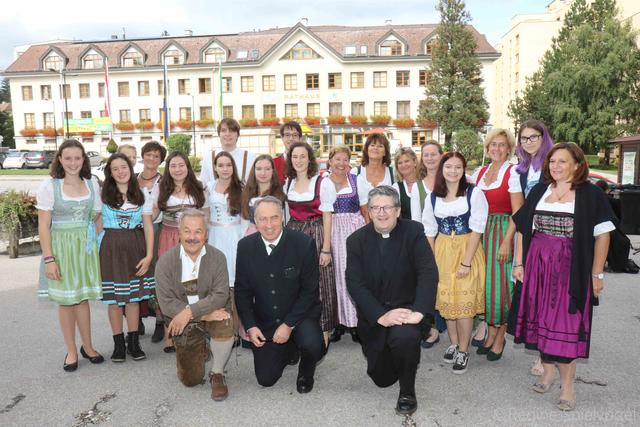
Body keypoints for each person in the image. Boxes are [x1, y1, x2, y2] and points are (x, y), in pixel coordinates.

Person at [512, 143, 614, 412]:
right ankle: (547, 372)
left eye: (563, 162)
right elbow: (523, 229)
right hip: (538, 265)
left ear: (578, 165)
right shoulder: (539, 190)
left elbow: (603, 235)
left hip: (571, 268)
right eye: (552, 161)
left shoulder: (590, 194)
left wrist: (597, 273)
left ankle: (567, 385)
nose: (556, 166)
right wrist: (519, 263)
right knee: (540, 319)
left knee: (566, 326)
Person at [346, 185, 437, 415]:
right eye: (375, 208)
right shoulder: (356, 241)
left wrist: (419, 311)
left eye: (387, 207)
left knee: (405, 338)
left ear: (398, 211)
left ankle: (407, 391)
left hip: (407, 310)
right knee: (382, 378)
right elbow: (355, 284)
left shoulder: (414, 232)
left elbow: (428, 272)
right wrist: (380, 315)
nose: (381, 213)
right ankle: (393, 358)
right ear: (369, 212)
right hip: (374, 316)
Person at [235, 196, 324, 393]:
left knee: (313, 344)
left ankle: (306, 370)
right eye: (263, 219)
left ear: (283, 217)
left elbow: (310, 291)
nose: (269, 225)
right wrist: (250, 325)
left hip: (300, 316)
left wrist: (288, 325)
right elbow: (242, 291)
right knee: (266, 379)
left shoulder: (303, 244)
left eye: (274, 218)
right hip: (266, 318)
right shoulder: (245, 247)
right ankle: (289, 350)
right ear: (255, 221)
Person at [36, 139, 104, 371]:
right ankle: (72, 351)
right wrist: (49, 259)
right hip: (61, 250)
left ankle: (88, 346)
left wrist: (93, 242)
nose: (73, 163)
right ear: (60, 160)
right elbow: (44, 225)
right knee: (66, 302)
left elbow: (97, 217)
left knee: (82, 299)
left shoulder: (92, 183)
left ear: (83, 160)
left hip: (84, 249)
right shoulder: (50, 186)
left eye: (77, 158)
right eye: (68, 158)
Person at [155, 209, 235, 401]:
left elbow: (220, 294)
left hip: (211, 312)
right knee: (190, 380)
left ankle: (217, 373)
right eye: (187, 231)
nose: (192, 237)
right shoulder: (166, 261)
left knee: (224, 319)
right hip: (187, 318)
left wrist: (190, 311)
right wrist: (201, 315)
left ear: (206, 235)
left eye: (198, 231)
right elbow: (166, 304)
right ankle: (200, 348)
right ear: (179, 233)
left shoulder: (218, 257)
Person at [421, 152, 488, 374]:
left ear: (463, 169)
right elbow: (429, 231)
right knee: (448, 303)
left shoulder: (473, 193)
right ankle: (454, 341)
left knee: (464, 306)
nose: (453, 171)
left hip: (466, 249)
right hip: (442, 252)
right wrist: (432, 262)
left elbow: (477, 229)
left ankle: (463, 349)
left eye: (457, 167)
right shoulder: (433, 197)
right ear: (442, 170)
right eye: (448, 167)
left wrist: (466, 262)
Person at [507, 119, 554, 376]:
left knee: (552, 296)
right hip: (529, 237)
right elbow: (520, 213)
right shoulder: (520, 171)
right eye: (524, 138)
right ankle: (540, 351)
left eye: (533, 137)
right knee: (532, 296)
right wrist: (518, 257)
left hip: (555, 236)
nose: (529, 142)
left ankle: (551, 350)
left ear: (543, 137)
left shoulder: (555, 163)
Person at [472, 128, 524, 361]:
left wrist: (506, 241)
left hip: (503, 229)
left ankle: (499, 337)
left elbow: (518, 211)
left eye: (502, 145)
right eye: (494, 144)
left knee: (501, 287)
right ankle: (491, 334)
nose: (497, 149)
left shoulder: (512, 173)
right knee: (486, 284)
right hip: (482, 231)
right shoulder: (480, 172)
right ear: (488, 147)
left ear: (509, 149)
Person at [99, 153, 155, 362]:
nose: (120, 171)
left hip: (135, 246)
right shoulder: (102, 195)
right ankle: (118, 343)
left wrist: (149, 255)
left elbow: (148, 226)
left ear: (130, 169)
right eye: (115, 169)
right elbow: (95, 223)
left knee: (132, 298)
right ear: (110, 173)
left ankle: (133, 342)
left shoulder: (141, 194)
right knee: (114, 300)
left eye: (124, 167)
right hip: (111, 247)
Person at [154, 151, 209, 352]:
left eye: (181, 165)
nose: (177, 169)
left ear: (187, 167)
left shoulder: (199, 188)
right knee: (171, 284)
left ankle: (196, 327)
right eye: (173, 165)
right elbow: (151, 214)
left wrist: (205, 238)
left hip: (195, 239)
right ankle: (171, 333)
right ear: (168, 169)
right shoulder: (161, 188)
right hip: (169, 238)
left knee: (194, 282)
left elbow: (206, 215)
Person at [285, 142, 338, 346]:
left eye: (302, 156)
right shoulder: (287, 183)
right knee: (296, 284)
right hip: (293, 235)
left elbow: (327, 216)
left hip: (315, 233)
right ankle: (299, 331)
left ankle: (324, 333)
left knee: (321, 283)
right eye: (294, 156)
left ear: (309, 159)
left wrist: (326, 248)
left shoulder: (321, 182)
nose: (298, 160)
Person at [324, 146, 368, 344]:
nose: (341, 163)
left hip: (354, 231)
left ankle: (357, 322)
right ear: (330, 161)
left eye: (344, 159)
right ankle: (339, 322)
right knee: (335, 278)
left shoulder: (357, 181)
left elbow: (366, 210)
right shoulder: (324, 182)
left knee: (354, 275)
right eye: (337, 159)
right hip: (332, 231)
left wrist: (370, 237)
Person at [206, 151, 247, 344]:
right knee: (217, 286)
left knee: (234, 287)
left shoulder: (241, 187)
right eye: (220, 165)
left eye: (228, 165)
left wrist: (244, 239)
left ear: (233, 167)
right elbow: (205, 215)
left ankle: (238, 328)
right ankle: (220, 327)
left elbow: (246, 218)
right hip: (215, 237)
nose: (224, 169)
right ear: (215, 167)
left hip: (234, 237)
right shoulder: (208, 187)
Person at [410, 140, 446, 348]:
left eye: (434, 154)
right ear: (422, 159)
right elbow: (416, 221)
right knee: (428, 284)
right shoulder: (418, 187)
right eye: (427, 155)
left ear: (441, 156)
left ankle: (453, 322)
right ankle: (431, 328)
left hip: (452, 240)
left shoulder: (452, 178)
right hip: (427, 241)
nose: (431, 158)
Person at [136, 141, 167, 343]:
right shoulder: (132, 179)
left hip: (154, 229)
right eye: (149, 154)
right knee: (134, 273)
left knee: (154, 274)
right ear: (143, 156)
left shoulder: (163, 181)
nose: (152, 159)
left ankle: (158, 319)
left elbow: (156, 208)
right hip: (131, 232)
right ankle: (135, 317)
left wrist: (145, 221)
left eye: (156, 156)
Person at [240, 154, 286, 236]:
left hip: (273, 236)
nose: (263, 173)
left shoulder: (280, 194)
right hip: (251, 237)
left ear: (273, 171)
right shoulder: (246, 193)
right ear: (254, 171)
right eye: (259, 169)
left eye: (267, 169)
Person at [200, 118, 256, 184]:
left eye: (232, 130)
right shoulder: (208, 157)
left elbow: (254, 185)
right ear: (219, 134)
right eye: (223, 130)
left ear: (237, 135)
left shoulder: (250, 157)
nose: (227, 134)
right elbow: (204, 185)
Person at [391, 147, 419, 220]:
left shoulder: (425, 183)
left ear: (415, 162)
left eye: (407, 161)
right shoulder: (396, 188)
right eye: (400, 163)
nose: (403, 165)